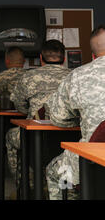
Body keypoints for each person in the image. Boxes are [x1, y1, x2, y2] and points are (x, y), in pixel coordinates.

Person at [45, 25, 105, 200]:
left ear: (93, 56)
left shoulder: (77, 76)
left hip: (92, 162)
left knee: (55, 173)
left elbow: (58, 117)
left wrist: (79, 120)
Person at [5, 40, 71, 193]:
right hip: (69, 137)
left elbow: (19, 106)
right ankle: (66, 190)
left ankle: (27, 186)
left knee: (11, 136)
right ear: (65, 58)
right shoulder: (74, 76)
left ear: (41, 58)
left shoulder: (29, 77)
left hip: (36, 137)